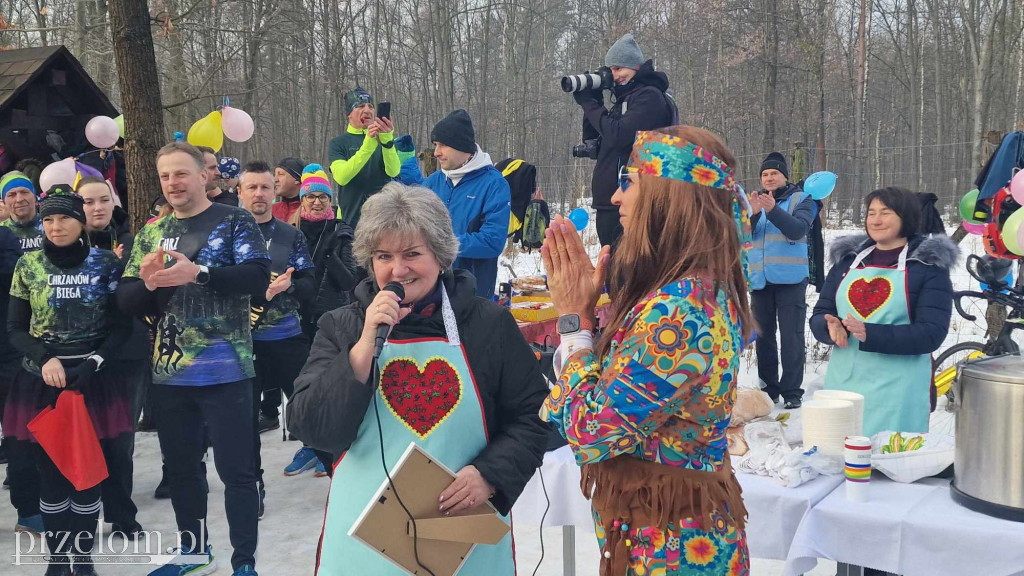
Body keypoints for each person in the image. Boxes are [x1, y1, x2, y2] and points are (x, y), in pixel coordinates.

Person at [286, 182, 547, 575]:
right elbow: (311, 427)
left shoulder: (488, 325)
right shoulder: (341, 326)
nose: (398, 269)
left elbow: (535, 415)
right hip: (364, 538)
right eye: (383, 256)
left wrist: (491, 474)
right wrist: (361, 349)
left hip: (462, 533)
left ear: (441, 257)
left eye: (412, 254)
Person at [541, 126, 753, 575]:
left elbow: (591, 430)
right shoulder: (690, 293)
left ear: (666, 197)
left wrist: (574, 323)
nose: (616, 199)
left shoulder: (680, 313)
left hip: (671, 551)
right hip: (663, 534)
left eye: (628, 182)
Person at [117, 142, 270, 576]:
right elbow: (125, 299)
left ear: (204, 175)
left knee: (237, 473)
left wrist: (200, 273)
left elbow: (258, 278)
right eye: (165, 176)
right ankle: (193, 551)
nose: (173, 183)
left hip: (228, 371)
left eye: (181, 174)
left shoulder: (235, 221)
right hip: (171, 374)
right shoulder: (151, 231)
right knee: (182, 469)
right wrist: (147, 283)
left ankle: (245, 563)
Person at [4, 185, 134, 576]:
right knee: (51, 472)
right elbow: (15, 328)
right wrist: (43, 358)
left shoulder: (105, 265)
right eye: (48, 220)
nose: (55, 226)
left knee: (87, 472)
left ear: (81, 222)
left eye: (64, 218)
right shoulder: (28, 267)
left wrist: (96, 360)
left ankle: (83, 558)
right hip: (42, 381)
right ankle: (58, 559)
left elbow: (121, 326)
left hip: (92, 379)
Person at [811, 187, 956, 436]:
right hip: (844, 381)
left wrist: (871, 333)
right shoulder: (848, 260)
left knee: (887, 464)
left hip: (898, 388)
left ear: (906, 217)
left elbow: (931, 333)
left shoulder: (928, 266)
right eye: (871, 213)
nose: (876, 220)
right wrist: (828, 327)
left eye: (885, 213)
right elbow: (821, 311)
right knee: (841, 458)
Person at [237, 161, 316, 504]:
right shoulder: (227, 233)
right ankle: (252, 484)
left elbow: (310, 282)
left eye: (265, 187)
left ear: (275, 191)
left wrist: (290, 286)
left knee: (309, 407)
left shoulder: (290, 235)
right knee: (245, 419)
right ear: (239, 193)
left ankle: (329, 462)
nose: (259, 194)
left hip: (286, 337)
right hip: (242, 341)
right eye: (251, 187)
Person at [77, 176, 147, 539]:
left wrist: (118, 267)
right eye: (88, 201)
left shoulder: (132, 242)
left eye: (103, 199)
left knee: (119, 439)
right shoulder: (61, 245)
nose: (97, 207)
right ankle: (83, 516)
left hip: (125, 354)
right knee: (84, 438)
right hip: (79, 354)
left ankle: (122, 514)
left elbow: (138, 292)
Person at [574, 33, 676, 247]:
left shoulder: (649, 97)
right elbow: (595, 142)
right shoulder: (624, 101)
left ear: (636, 67)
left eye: (619, 68)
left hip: (634, 202)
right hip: (610, 202)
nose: (614, 75)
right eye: (610, 69)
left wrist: (590, 106)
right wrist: (593, 101)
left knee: (625, 271)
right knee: (611, 271)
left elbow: (619, 137)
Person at [747, 151, 817, 409]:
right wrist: (752, 215)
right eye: (764, 174)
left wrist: (773, 210)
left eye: (774, 173)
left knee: (792, 337)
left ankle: (791, 392)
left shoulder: (803, 199)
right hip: (760, 280)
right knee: (763, 338)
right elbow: (740, 234)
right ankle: (768, 389)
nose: (768, 178)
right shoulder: (753, 201)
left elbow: (798, 229)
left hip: (790, 280)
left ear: (784, 176)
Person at [424, 110, 511, 299]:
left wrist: (442, 244)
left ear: (462, 146)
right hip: (431, 294)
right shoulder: (432, 183)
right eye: (436, 145)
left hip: (473, 295)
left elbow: (492, 241)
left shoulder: (494, 184)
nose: (436, 152)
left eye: (443, 145)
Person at [327, 87, 400, 228]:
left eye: (371, 106)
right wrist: (367, 145)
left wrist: (387, 141)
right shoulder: (338, 143)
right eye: (360, 106)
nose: (367, 110)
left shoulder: (383, 139)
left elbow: (394, 171)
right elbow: (342, 177)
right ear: (349, 114)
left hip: (382, 220)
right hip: (350, 222)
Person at [1, 170, 44, 252]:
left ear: (35, 198)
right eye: (12, 194)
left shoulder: (51, 226)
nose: (19, 199)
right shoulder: (2, 232)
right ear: (4, 202)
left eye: (24, 192)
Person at [272, 157, 305, 222]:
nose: (275, 180)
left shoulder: (310, 211)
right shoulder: (270, 211)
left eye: (280, 174)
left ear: (297, 179)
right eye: (275, 175)